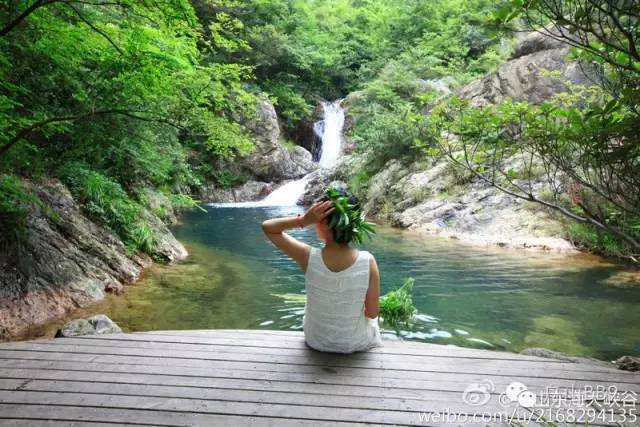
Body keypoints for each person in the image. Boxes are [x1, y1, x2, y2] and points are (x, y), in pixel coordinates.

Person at [261, 187, 383, 353]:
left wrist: (303, 220)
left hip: (316, 341)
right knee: (373, 323)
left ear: (323, 223)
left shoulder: (307, 256)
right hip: (353, 344)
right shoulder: (368, 261)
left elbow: (268, 227)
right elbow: (372, 313)